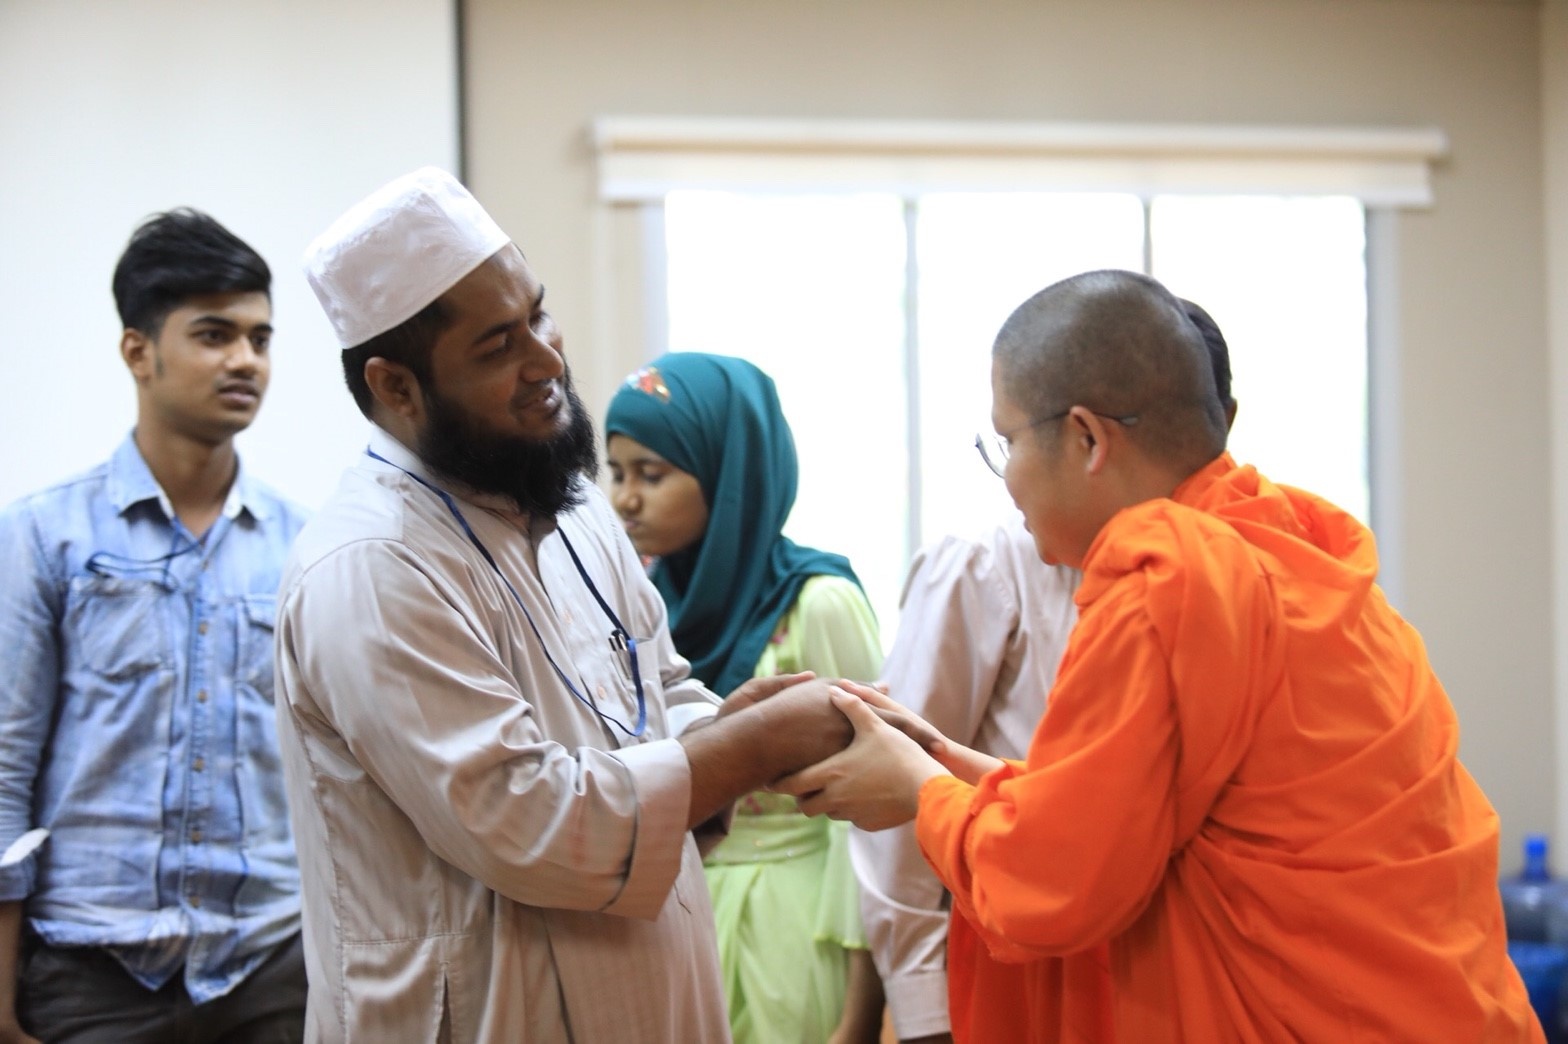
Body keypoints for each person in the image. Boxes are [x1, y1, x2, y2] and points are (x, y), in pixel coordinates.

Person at [780, 269, 1542, 1041]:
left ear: (1086, 437)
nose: (1005, 476)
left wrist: (920, 793)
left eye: (1006, 440)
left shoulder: (1165, 576)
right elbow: (1145, 812)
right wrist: (945, 762)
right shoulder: (1300, 546)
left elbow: (1056, 884)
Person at [277, 167, 859, 1042]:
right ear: (397, 388)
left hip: (652, 985)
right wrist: (748, 747)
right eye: (496, 346)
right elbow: (527, 821)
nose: (548, 360)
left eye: (537, 314)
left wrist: (726, 721)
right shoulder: (369, 565)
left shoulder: (573, 504)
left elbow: (657, 685)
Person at [853, 299, 1236, 1043]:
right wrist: (924, 1011)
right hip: (1028, 964)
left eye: (1006, 442)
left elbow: (1089, 843)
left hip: (1162, 968)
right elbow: (919, 836)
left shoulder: (1230, 573)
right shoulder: (985, 564)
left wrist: (920, 777)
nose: (1005, 474)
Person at [0, 210, 309, 1042]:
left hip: (271, 968)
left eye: (260, 337)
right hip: (91, 971)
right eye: (214, 334)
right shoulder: (42, 535)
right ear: (138, 351)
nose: (246, 360)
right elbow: (4, 767)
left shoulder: (307, 548)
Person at [604, 352, 885, 1044]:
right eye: (615, 472)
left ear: (728, 476)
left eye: (652, 473)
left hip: (792, 934)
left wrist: (862, 1010)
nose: (624, 499)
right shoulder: (631, 607)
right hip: (666, 923)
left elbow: (871, 823)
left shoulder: (819, 602)